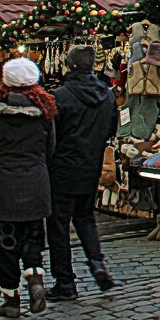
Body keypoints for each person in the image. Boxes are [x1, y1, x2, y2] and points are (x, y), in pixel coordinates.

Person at [0, 58, 56, 318]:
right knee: (33, 236)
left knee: (4, 243)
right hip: (34, 182)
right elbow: (50, 150)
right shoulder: (44, 113)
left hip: (2, 185)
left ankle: (11, 298)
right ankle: (35, 279)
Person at [46, 45, 120, 301]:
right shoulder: (107, 96)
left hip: (62, 170)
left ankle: (65, 282)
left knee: (58, 226)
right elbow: (112, 129)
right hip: (91, 167)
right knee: (86, 219)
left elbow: (50, 137)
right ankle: (97, 264)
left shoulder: (59, 96)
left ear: (69, 65)